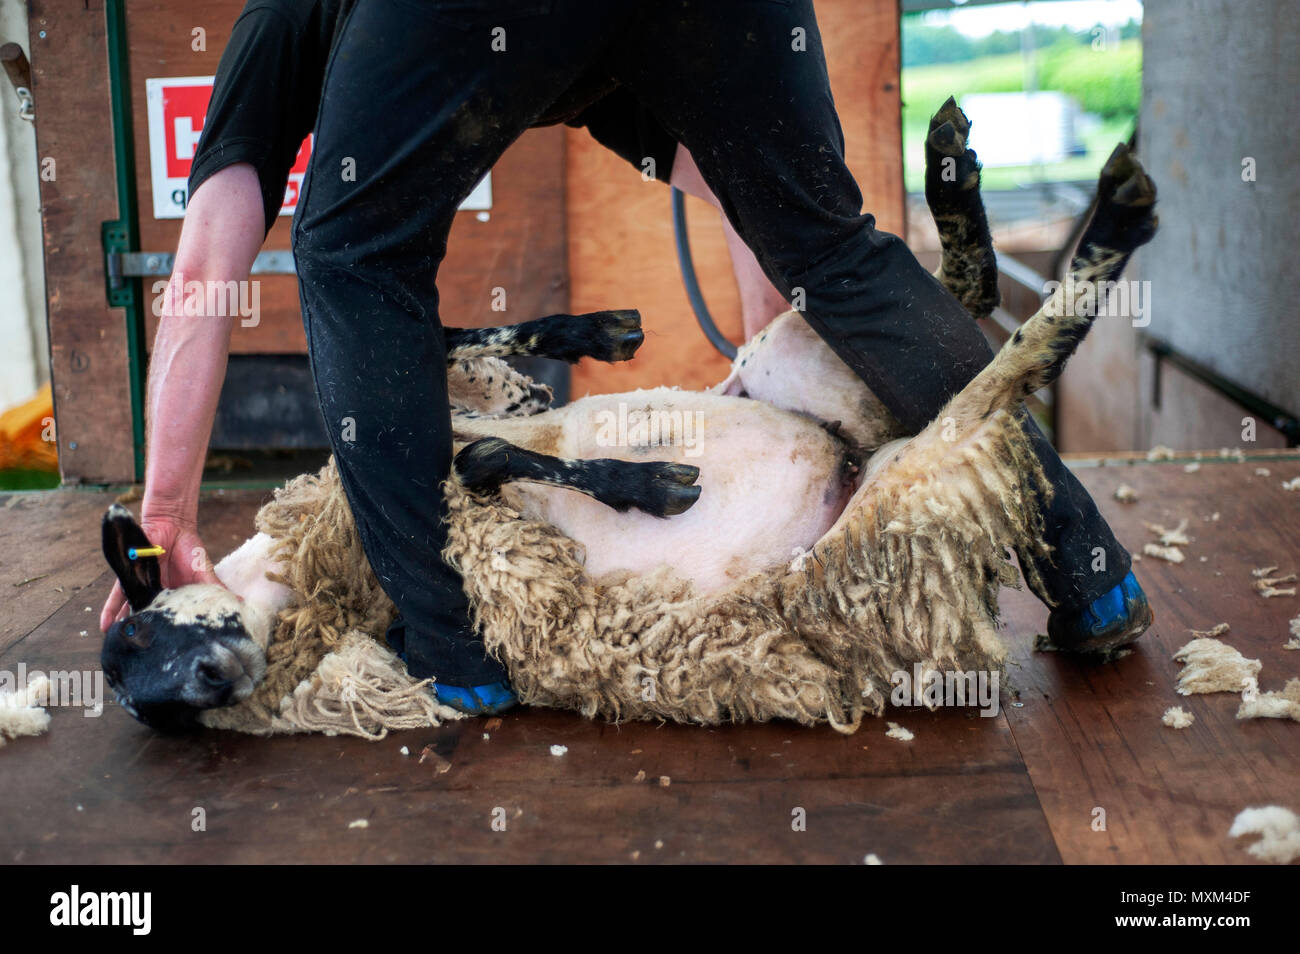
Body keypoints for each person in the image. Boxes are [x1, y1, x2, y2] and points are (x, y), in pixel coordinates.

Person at [103, 0, 1151, 717]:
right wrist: (776, 385)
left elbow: (206, 264)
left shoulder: (274, 25)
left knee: (348, 251)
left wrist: (162, 516)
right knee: (833, 246)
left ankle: (452, 656)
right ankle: (1089, 570)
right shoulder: (600, 64)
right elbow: (753, 202)